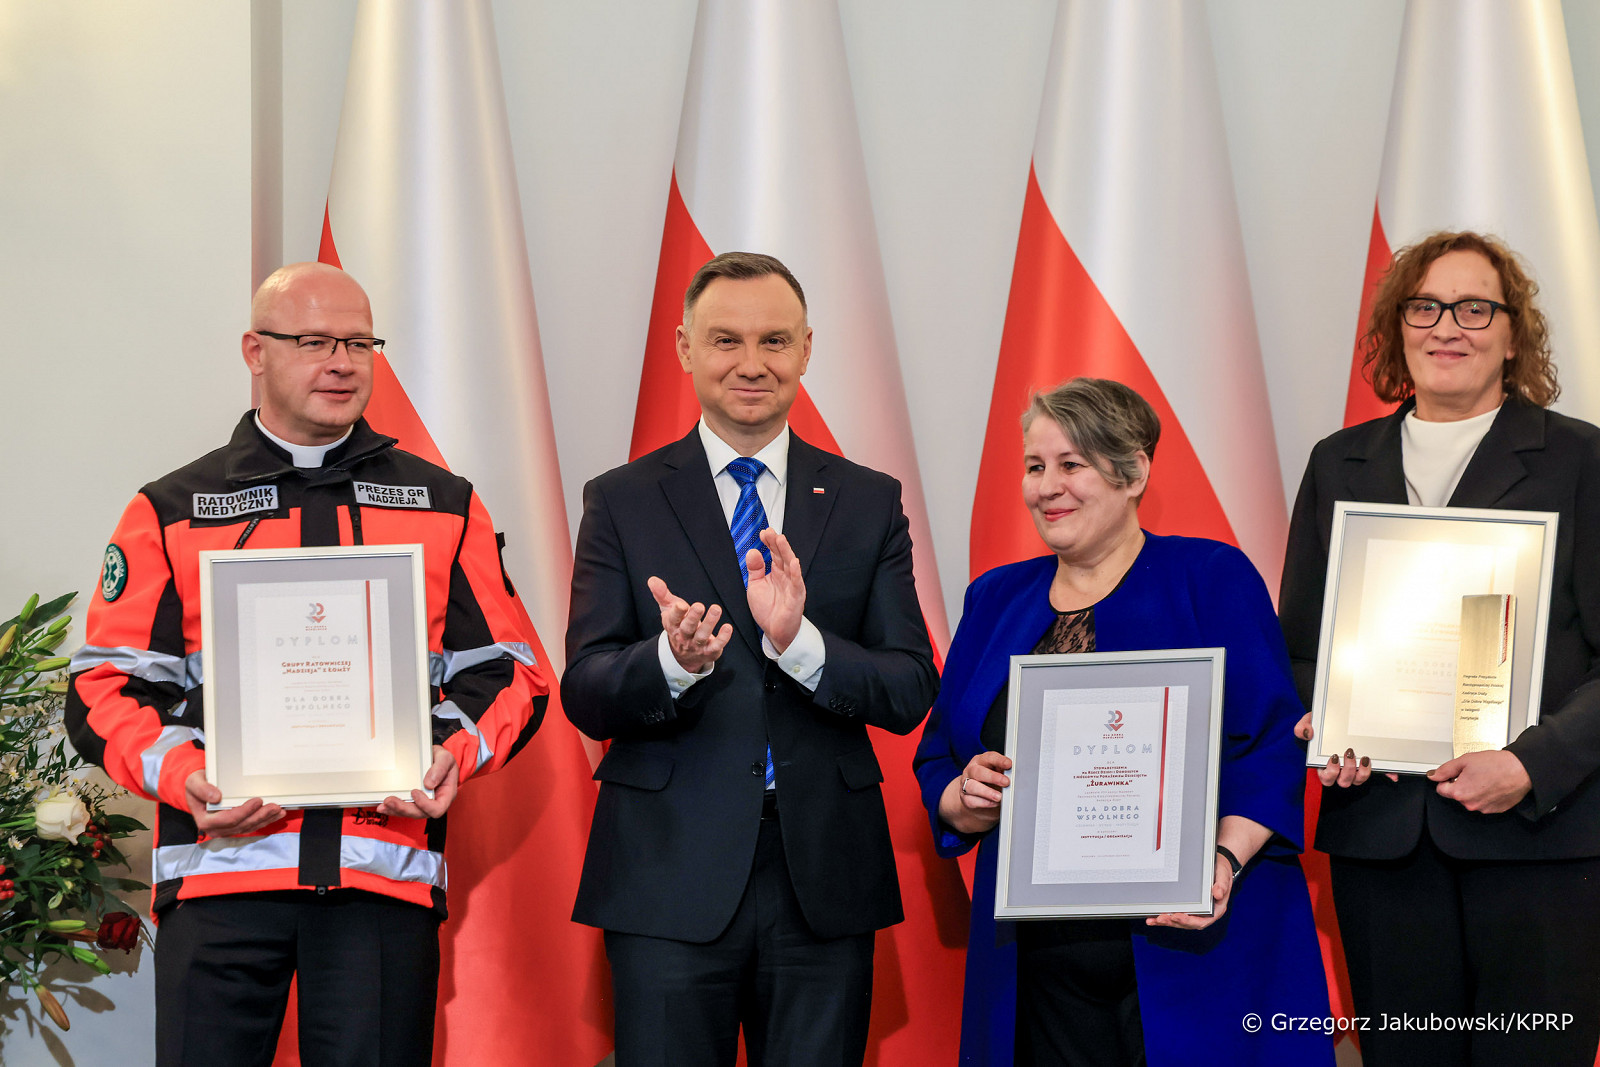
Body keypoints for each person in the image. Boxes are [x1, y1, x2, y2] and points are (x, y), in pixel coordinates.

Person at [65, 262, 549, 1066]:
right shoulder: (171, 508)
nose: (342, 363)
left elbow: (511, 671)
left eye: (360, 343)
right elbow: (103, 686)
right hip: (218, 875)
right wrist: (188, 776)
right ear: (255, 351)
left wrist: (449, 754)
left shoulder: (445, 504)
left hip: (379, 878)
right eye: (316, 342)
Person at [562, 251, 938, 1066]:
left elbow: (911, 685)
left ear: (806, 348)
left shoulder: (867, 499)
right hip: (666, 875)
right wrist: (672, 661)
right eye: (725, 339)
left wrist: (801, 644)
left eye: (774, 340)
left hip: (823, 876)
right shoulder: (621, 498)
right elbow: (586, 689)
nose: (752, 362)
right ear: (684, 347)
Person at [914, 378, 1332, 1067]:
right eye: (1034, 466)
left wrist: (1222, 861)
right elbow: (939, 756)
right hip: (1035, 964)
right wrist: (963, 799)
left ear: (1133, 472)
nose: (1047, 486)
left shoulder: (1211, 576)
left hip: (1193, 950)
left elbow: (1270, 745)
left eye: (1071, 464)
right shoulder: (993, 598)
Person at [1283, 231, 1600, 1066]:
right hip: (1381, 839)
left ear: (1513, 334)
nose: (1447, 326)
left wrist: (1531, 763)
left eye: (1474, 308)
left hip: (1539, 838)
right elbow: (1302, 649)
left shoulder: (1580, 458)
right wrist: (1333, 725)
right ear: (1399, 327)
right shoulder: (1338, 463)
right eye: (1424, 307)